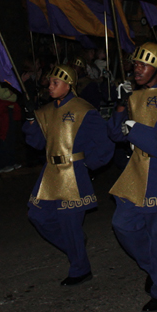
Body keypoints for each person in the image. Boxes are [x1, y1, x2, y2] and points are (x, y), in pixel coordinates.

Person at [107, 42, 157, 312]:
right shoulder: (133, 98)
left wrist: (135, 129)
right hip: (135, 175)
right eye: (135, 64)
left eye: (143, 65)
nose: (137, 69)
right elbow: (115, 134)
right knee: (123, 224)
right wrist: (120, 105)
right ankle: (156, 268)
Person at [23, 65, 114, 285]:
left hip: (73, 171)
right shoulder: (46, 111)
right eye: (50, 82)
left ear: (69, 84)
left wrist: (87, 166)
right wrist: (30, 120)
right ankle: (74, 244)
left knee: (69, 222)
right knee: (38, 216)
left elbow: (103, 143)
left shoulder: (84, 109)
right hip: (50, 172)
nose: (50, 87)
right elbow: (36, 143)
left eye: (55, 83)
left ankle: (80, 269)